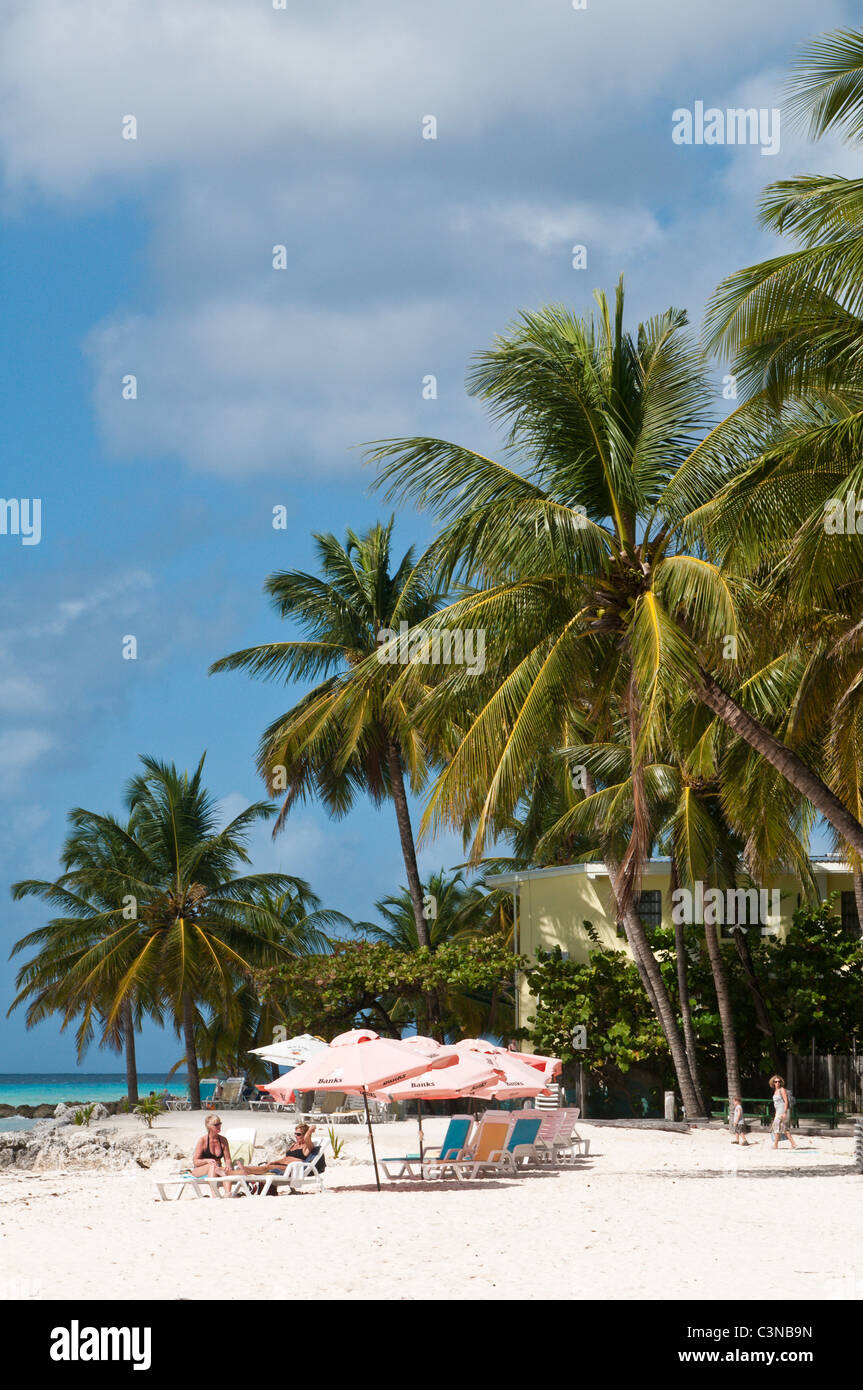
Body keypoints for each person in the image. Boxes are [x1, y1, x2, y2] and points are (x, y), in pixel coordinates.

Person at [191, 1114, 241, 1194]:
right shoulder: (202, 1140)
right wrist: (207, 1160)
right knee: (212, 1166)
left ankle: (228, 1193)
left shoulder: (223, 1140)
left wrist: (228, 1165)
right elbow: (195, 1161)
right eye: (216, 1125)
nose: (219, 1126)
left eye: (220, 1123)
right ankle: (214, 1194)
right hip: (200, 1169)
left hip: (217, 1169)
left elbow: (227, 1159)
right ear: (209, 1126)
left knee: (225, 1170)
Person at [769, 1075, 797, 1150]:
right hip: (778, 1112)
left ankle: (776, 1145)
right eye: (776, 1081)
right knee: (781, 1128)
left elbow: (786, 1101)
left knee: (780, 1128)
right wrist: (775, 1113)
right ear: (773, 1083)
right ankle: (793, 1144)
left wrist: (784, 1112)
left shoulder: (782, 1090)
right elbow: (776, 1104)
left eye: (779, 1081)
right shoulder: (775, 1091)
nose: (777, 1083)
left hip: (783, 1111)